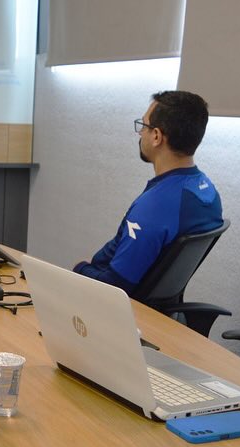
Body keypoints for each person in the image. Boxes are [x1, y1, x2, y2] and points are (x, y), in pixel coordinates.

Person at [74, 90, 223, 296]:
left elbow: (116, 286)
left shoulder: (156, 206)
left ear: (156, 136)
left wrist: (79, 269)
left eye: (143, 126)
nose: (140, 133)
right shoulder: (209, 193)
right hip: (159, 311)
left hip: (125, 311)